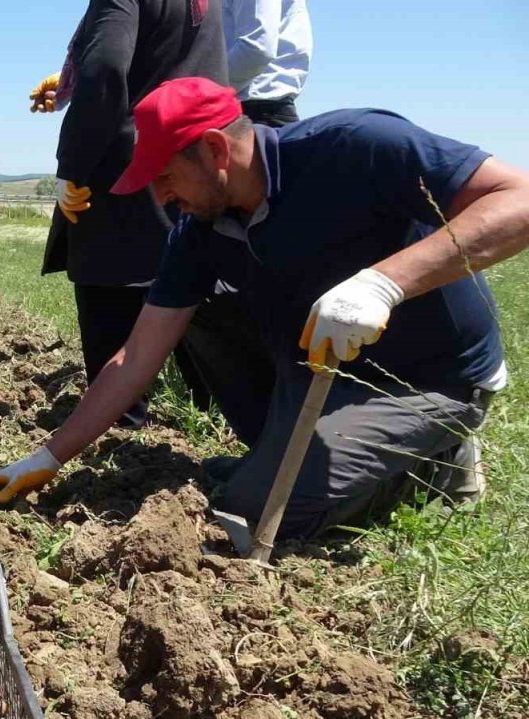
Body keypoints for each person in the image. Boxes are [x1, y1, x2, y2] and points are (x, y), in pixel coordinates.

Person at [0, 77, 529, 542]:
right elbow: (138, 354)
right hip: (323, 366)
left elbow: (518, 200)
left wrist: (383, 284)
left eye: (165, 176)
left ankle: (435, 461)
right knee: (194, 316)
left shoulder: (355, 146)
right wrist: (49, 456)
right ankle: (297, 457)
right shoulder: (198, 230)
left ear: (215, 150)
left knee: (255, 512)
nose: (160, 197)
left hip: (426, 376)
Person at [27, 0, 227, 429]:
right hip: (193, 162)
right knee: (188, 288)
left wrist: (72, 165)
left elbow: (104, 67)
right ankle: (214, 422)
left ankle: (120, 427)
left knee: (111, 292)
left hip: (125, 167)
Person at [174, 0, 314, 444]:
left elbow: (255, 47)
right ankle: (267, 435)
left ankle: (301, 420)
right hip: (231, 112)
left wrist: (187, 94)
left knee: (282, 277)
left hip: (254, 112)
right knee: (209, 287)